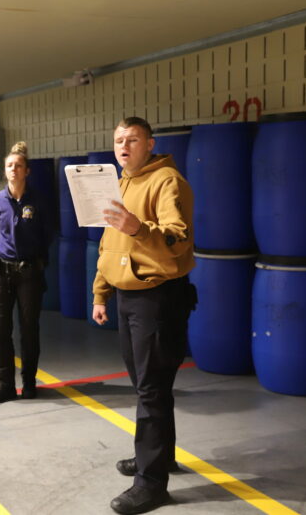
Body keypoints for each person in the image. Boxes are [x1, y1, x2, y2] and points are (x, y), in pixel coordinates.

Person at [92, 117, 196, 515]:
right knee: (145, 383)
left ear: (149, 143)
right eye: (118, 140)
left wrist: (139, 228)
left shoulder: (167, 181)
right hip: (126, 296)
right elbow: (108, 242)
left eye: (132, 140)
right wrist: (101, 292)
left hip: (157, 297)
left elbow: (177, 237)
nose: (123, 146)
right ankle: (159, 456)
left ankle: (152, 483)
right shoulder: (120, 183)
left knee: (151, 388)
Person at [0, 141, 54, 404]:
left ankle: (29, 382)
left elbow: (48, 234)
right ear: (5, 171)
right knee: (0, 331)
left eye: (18, 166)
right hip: (1, 272)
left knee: (29, 330)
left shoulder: (39, 201)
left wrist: (33, 258)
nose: (13, 170)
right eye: (9, 166)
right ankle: (5, 386)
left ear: (27, 171)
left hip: (29, 274)